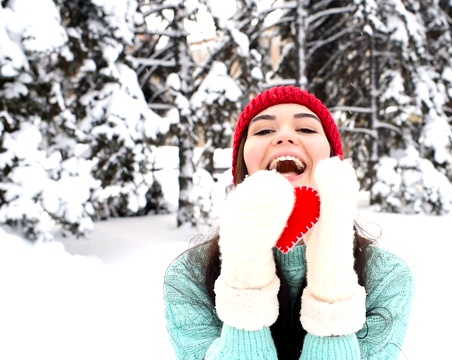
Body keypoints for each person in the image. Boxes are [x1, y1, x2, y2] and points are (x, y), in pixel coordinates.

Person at [163, 85, 415, 360]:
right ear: (243, 165)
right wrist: (245, 276)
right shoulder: (189, 276)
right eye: (263, 131)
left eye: (306, 129)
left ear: (332, 159)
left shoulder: (387, 276)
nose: (284, 136)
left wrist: (331, 275)